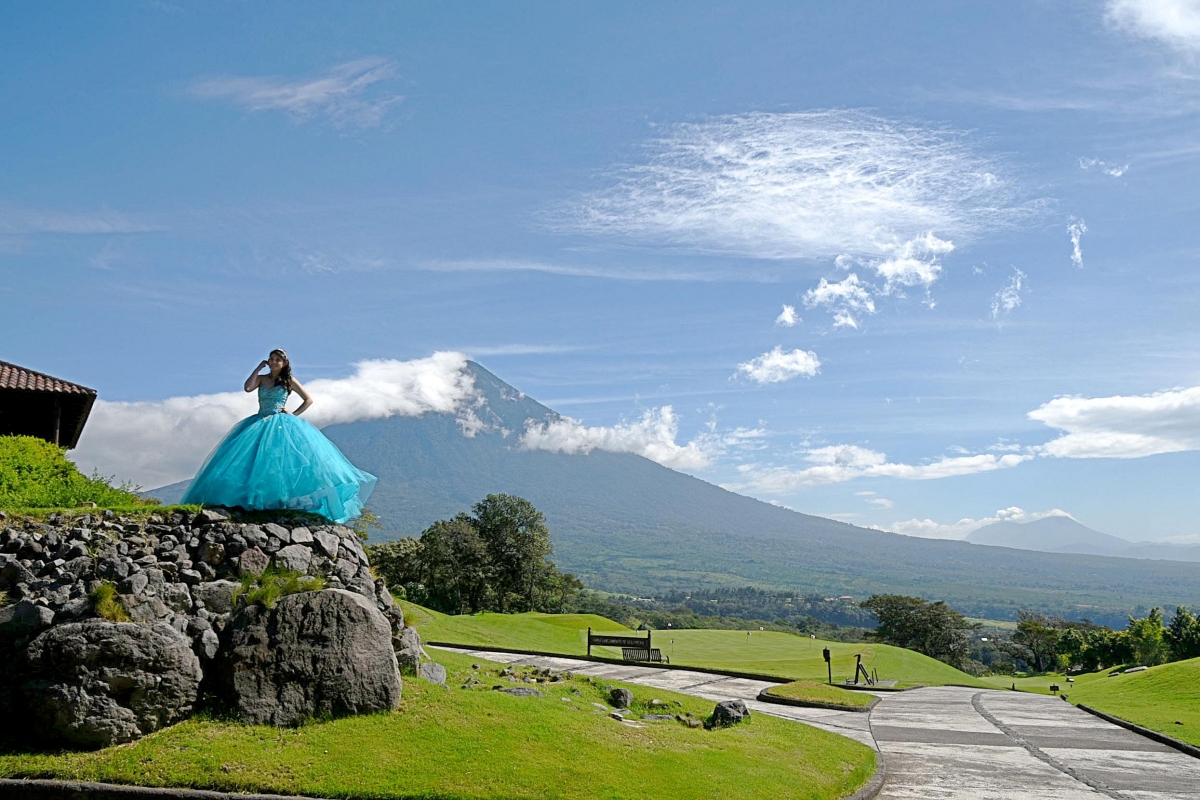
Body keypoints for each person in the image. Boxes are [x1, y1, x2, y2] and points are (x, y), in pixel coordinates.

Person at [181, 350, 377, 524]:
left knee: (281, 464)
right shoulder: (262, 378)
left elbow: (308, 399)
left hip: (281, 424)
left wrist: (293, 414)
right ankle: (252, 501)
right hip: (258, 422)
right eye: (271, 359)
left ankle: (280, 501)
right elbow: (248, 388)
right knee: (252, 464)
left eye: (278, 360)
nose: (274, 362)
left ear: (284, 363)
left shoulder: (289, 381)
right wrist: (258, 368)